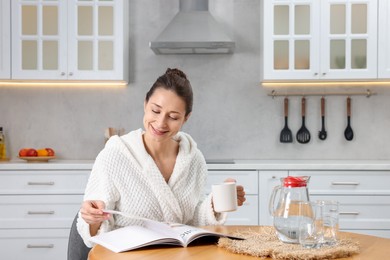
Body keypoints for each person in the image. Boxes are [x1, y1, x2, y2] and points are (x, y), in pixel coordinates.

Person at [77, 68, 246, 247]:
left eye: (173, 117)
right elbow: (90, 229)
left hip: (178, 254)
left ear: (186, 118)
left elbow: (193, 218)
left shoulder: (194, 159)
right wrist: (91, 218)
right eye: (155, 111)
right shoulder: (114, 156)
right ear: (145, 104)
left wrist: (216, 203)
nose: (160, 123)